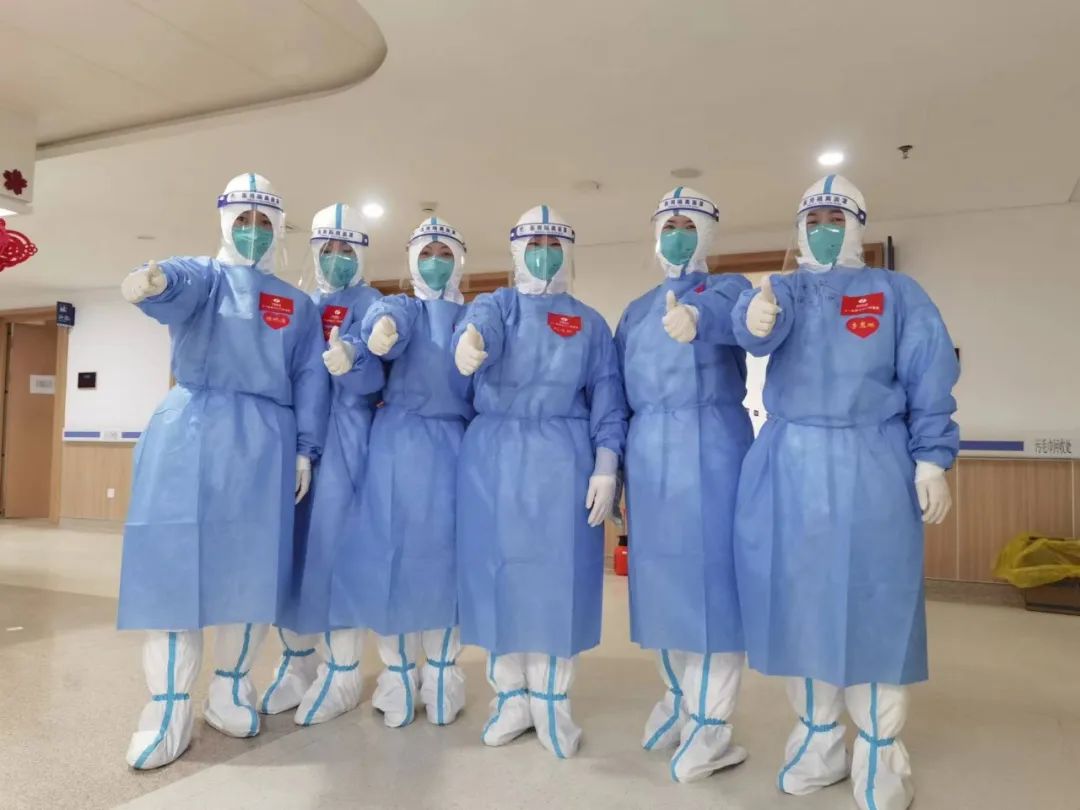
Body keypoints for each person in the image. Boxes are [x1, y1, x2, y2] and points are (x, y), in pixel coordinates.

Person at [731, 175, 959, 810]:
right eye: (813, 219)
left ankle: (881, 753)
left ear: (859, 224)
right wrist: (749, 316)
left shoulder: (896, 294)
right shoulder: (784, 291)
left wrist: (931, 459)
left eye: (837, 217)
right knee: (801, 604)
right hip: (790, 464)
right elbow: (748, 330)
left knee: (875, 601)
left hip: (873, 461)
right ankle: (819, 742)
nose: (824, 229)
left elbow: (930, 372)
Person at [118, 173, 329, 769]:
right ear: (224, 222)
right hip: (189, 433)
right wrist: (156, 282)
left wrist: (305, 450)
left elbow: (311, 377)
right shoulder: (206, 279)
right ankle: (167, 708)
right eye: (243, 220)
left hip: (265, 443)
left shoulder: (296, 304)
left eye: (264, 222)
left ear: (278, 228)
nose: (253, 232)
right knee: (172, 572)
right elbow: (177, 285)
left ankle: (230, 689)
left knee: (249, 573)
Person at [452, 205, 628, 759]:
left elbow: (608, 396)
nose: (545, 254)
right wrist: (469, 341)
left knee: (556, 577)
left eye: (555, 244)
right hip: (494, 459)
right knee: (498, 574)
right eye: (535, 244)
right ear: (516, 251)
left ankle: (552, 700)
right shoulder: (499, 306)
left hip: (562, 457)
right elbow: (479, 324)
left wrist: (606, 464)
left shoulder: (589, 323)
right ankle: (510, 698)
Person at [615, 188, 753, 783]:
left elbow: (738, 318)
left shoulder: (728, 289)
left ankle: (712, 725)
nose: (676, 235)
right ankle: (677, 699)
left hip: (712, 446)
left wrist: (699, 319)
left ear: (708, 234)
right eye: (668, 225)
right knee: (663, 584)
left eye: (687, 225)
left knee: (714, 589)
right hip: (649, 456)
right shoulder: (635, 311)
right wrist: (612, 465)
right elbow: (616, 393)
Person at [329, 216, 472, 728]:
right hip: (395, 446)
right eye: (425, 253)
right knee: (390, 558)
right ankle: (397, 676)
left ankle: (442, 675)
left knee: (446, 564)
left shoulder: (476, 317)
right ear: (411, 260)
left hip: (456, 447)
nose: (435, 263)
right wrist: (367, 342)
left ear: (460, 260)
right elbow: (383, 332)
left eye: (445, 253)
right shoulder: (402, 308)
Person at [260, 203, 384, 725]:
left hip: (347, 440)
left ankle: (344, 671)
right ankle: (297, 662)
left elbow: (378, 373)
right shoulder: (303, 304)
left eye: (346, 248)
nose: (336, 257)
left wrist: (352, 361)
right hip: (295, 439)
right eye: (326, 248)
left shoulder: (372, 303)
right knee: (290, 553)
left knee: (336, 554)